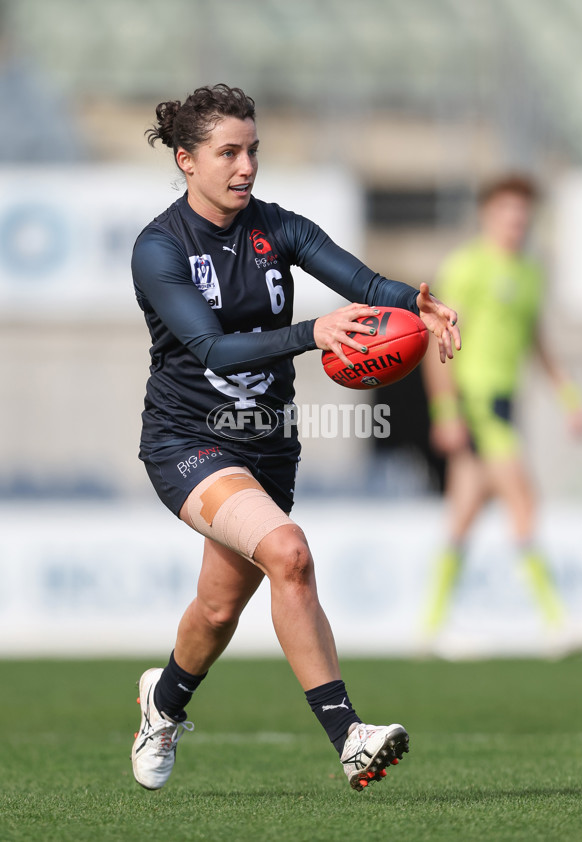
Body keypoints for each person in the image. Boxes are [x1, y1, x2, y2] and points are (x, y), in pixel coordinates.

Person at [130, 84, 461, 792]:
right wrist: (314, 332)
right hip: (187, 440)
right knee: (291, 553)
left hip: (270, 445)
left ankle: (163, 703)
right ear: (187, 160)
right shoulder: (159, 248)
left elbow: (362, 281)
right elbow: (212, 350)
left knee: (219, 609)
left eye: (252, 150)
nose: (246, 166)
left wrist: (419, 305)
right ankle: (350, 737)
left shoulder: (278, 227)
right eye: (228, 152)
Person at [421, 174, 582, 643]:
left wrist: (570, 399)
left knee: (464, 514)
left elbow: (536, 340)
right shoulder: (468, 267)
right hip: (476, 404)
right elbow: (440, 341)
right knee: (524, 500)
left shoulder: (530, 272)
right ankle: (556, 623)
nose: (516, 220)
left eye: (523, 212)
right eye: (507, 210)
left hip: (505, 404)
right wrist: (446, 412)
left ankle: (430, 628)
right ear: (488, 214)